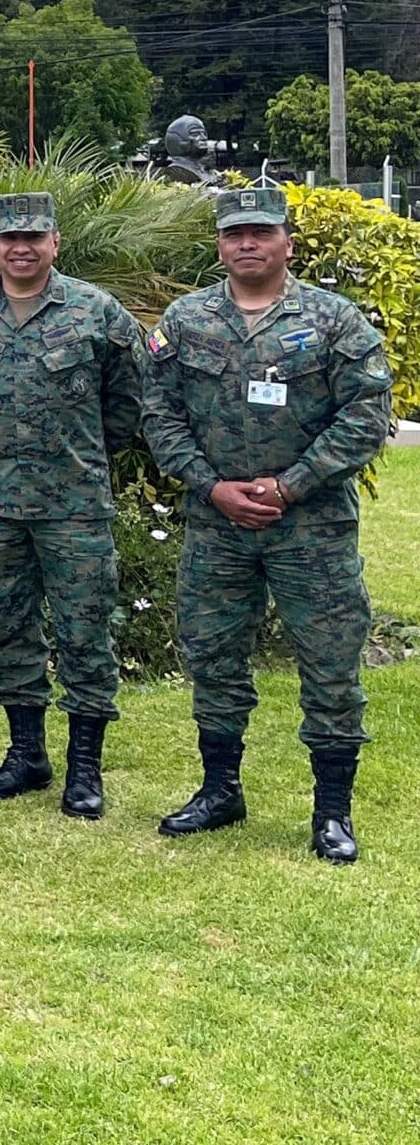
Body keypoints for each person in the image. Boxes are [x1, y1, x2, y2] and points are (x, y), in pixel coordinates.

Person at [142, 185, 394, 864]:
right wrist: (210, 485)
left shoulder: (334, 320)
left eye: (261, 231)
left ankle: (332, 812)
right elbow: (158, 413)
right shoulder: (186, 321)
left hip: (312, 527)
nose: (247, 243)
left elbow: (367, 414)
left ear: (287, 242)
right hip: (216, 524)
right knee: (213, 655)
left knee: (330, 661)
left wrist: (292, 484)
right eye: (234, 233)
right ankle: (220, 791)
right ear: (220, 245)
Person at [0, 192, 145, 817]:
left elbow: (127, 401)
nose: (21, 248)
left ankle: (85, 767)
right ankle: (26, 753)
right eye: (10, 238)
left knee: (86, 632)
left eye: (34, 237)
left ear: (55, 242)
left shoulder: (96, 311)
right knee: (8, 628)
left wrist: (78, 454)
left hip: (74, 506)